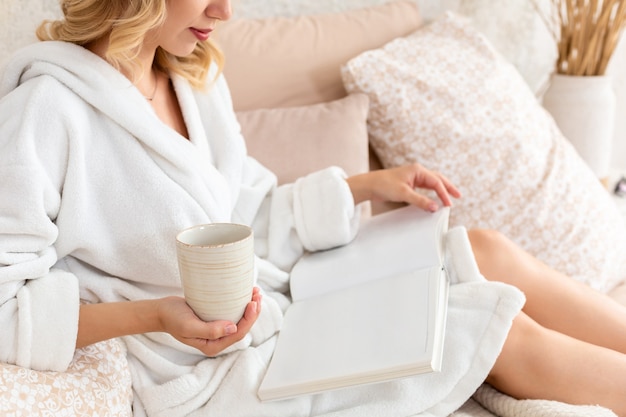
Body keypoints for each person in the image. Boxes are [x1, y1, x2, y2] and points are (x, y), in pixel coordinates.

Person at [1, 0, 626, 416]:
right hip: (209, 371)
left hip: (280, 297)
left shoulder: (191, 77)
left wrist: (364, 186)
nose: (225, 10)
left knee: (484, 249)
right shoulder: (46, 112)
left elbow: (249, 211)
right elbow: (6, 305)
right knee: (494, 328)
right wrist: (157, 316)